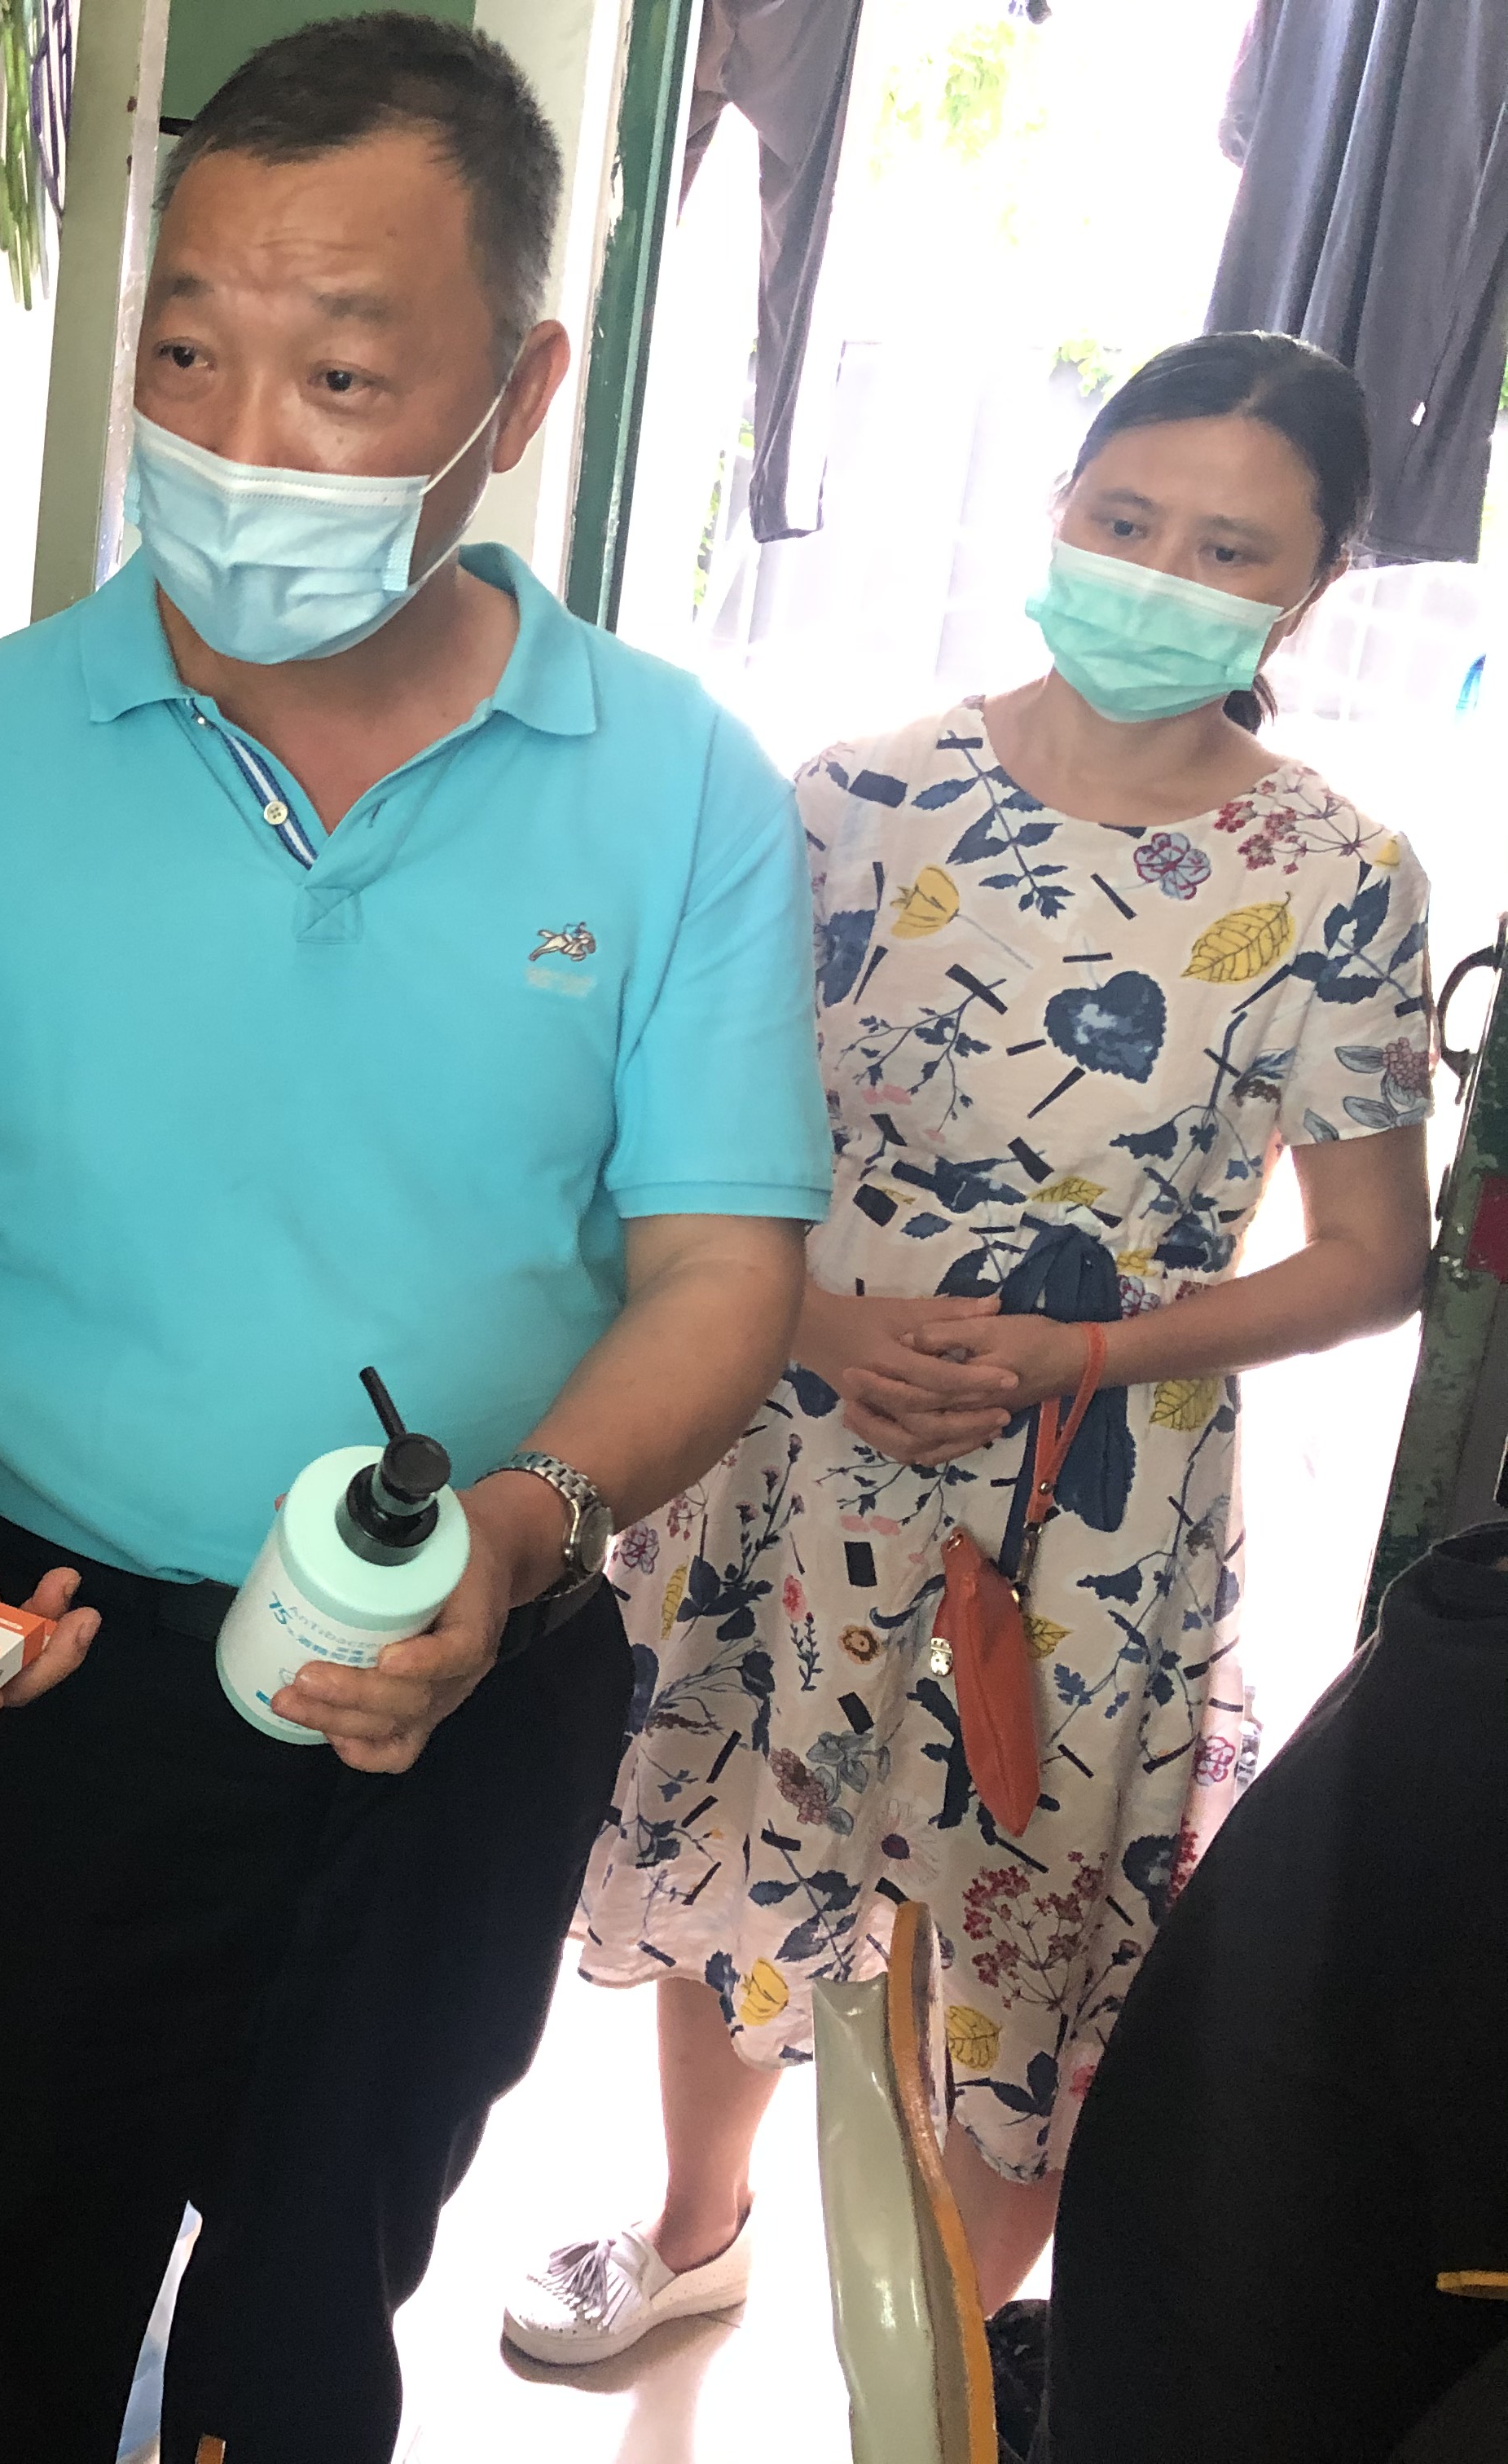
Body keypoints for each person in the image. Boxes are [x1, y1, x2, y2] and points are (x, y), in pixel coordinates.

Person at [0, 19, 831, 2460]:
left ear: (519, 393)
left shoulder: (678, 796)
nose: (238, 439)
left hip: (470, 1664)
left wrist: (524, 1531)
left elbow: (721, 1272)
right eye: (186, 353)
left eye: (339, 374)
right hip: (37, 1664)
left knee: (315, 2318)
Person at [517, 332, 1435, 2367]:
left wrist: (1080, 1357)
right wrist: (819, 1327)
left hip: (1088, 1504)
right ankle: (696, 2229)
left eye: (1228, 549)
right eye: (1126, 519)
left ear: (1308, 593)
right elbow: (669, 1145)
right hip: (795, 1431)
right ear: (1058, 510)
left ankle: (927, 2373)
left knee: (1018, 1914)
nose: (1159, 573)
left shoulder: (1338, 879)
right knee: (748, 1827)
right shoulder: (848, 797)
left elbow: (1377, 1263)